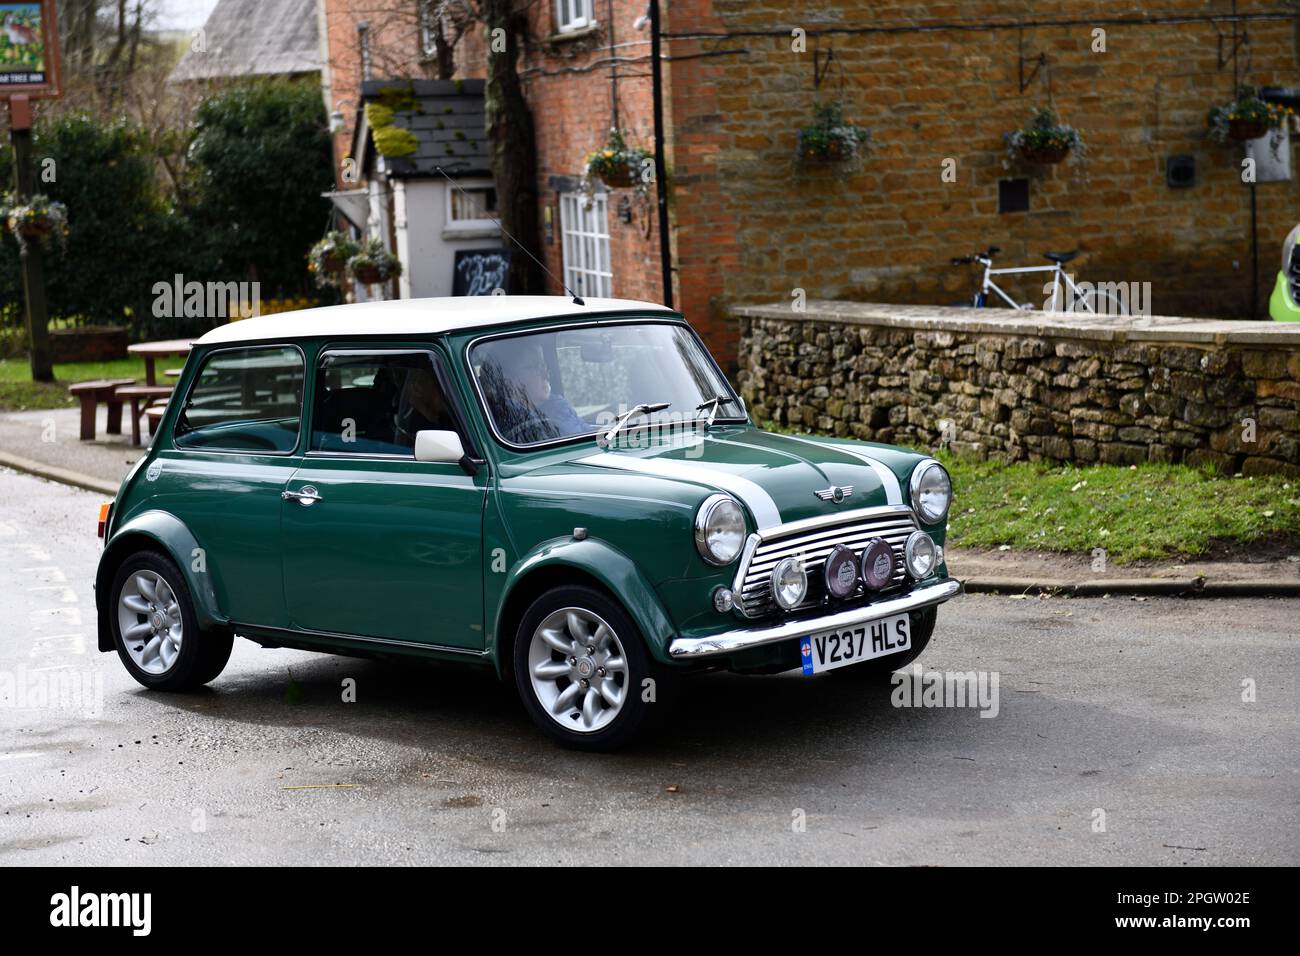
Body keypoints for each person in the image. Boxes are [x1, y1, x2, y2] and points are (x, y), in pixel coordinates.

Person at [482, 338, 588, 441]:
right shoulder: (502, 419)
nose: (545, 374)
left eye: (543, 365)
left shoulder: (558, 404)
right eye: (532, 367)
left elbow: (588, 433)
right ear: (507, 380)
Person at [393, 365, 455, 448]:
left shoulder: (448, 419)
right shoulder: (413, 432)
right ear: (417, 388)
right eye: (440, 383)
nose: (449, 392)